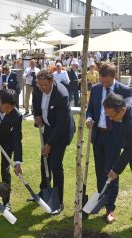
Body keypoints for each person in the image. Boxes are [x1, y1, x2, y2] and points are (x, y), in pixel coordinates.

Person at [86, 63, 132, 223]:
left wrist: (116, 170)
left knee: (112, 172)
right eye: (102, 80)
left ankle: (110, 208)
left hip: (116, 138)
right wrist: (89, 118)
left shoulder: (125, 92)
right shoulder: (96, 89)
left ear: (113, 77)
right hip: (99, 135)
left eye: (106, 81)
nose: (103, 84)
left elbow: (128, 149)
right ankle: (101, 201)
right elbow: (90, 109)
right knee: (101, 171)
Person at [32, 69, 75, 214]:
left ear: (52, 81)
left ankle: (58, 202)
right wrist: (37, 115)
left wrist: (49, 144)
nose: (41, 88)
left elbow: (61, 124)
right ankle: (44, 192)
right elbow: (35, 101)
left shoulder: (62, 94)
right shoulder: (38, 89)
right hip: (48, 128)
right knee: (44, 160)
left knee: (55, 164)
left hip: (61, 131)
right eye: (40, 85)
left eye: (44, 85)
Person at [103, 93, 132, 180]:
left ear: (123, 109)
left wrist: (116, 170)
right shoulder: (127, 102)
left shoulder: (129, 126)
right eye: (108, 116)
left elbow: (129, 149)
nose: (111, 119)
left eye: (112, 116)